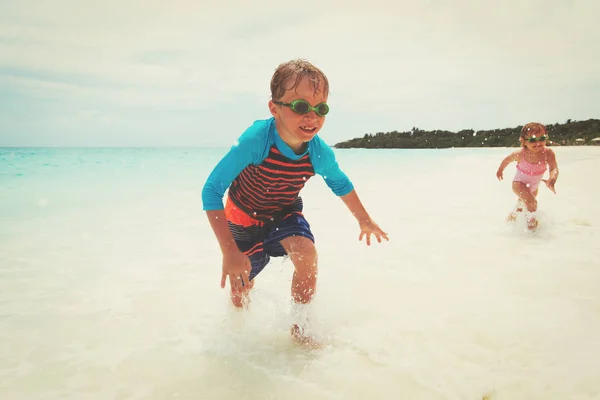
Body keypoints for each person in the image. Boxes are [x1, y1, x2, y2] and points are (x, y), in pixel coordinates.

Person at [201, 59, 388, 341]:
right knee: (241, 288)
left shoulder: (318, 152)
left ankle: (300, 329)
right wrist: (230, 253)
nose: (312, 117)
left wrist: (364, 220)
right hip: (242, 218)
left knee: (306, 253)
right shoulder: (256, 141)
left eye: (320, 108)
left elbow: (340, 183)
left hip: (284, 212)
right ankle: (237, 334)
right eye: (300, 106)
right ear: (274, 108)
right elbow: (211, 191)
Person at [496, 122, 559, 230]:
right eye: (533, 140)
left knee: (521, 207)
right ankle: (532, 227)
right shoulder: (520, 153)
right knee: (532, 203)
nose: (538, 143)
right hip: (519, 184)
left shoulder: (548, 153)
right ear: (523, 141)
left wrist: (552, 178)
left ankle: (509, 222)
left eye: (542, 138)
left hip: (534, 187)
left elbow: (554, 168)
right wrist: (500, 170)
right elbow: (507, 160)